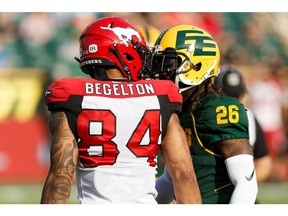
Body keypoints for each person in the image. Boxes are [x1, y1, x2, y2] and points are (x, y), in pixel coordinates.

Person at [40, 17, 201, 204]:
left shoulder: (74, 98)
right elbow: (183, 173)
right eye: (139, 52)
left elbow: (60, 175)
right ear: (122, 52)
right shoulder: (161, 96)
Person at [145, 24, 258, 204]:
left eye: (169, 63)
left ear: (197, 66)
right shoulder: (182, 110)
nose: (161, 72)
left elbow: (246, 182)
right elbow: (169, 180)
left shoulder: (217, 109)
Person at [215, 65, 272, 184]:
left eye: (236, 96)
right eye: (228, 97)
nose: (233, 102)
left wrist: (244, 184)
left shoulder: (250, 116)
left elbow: (264, 162)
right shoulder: (203, 117)